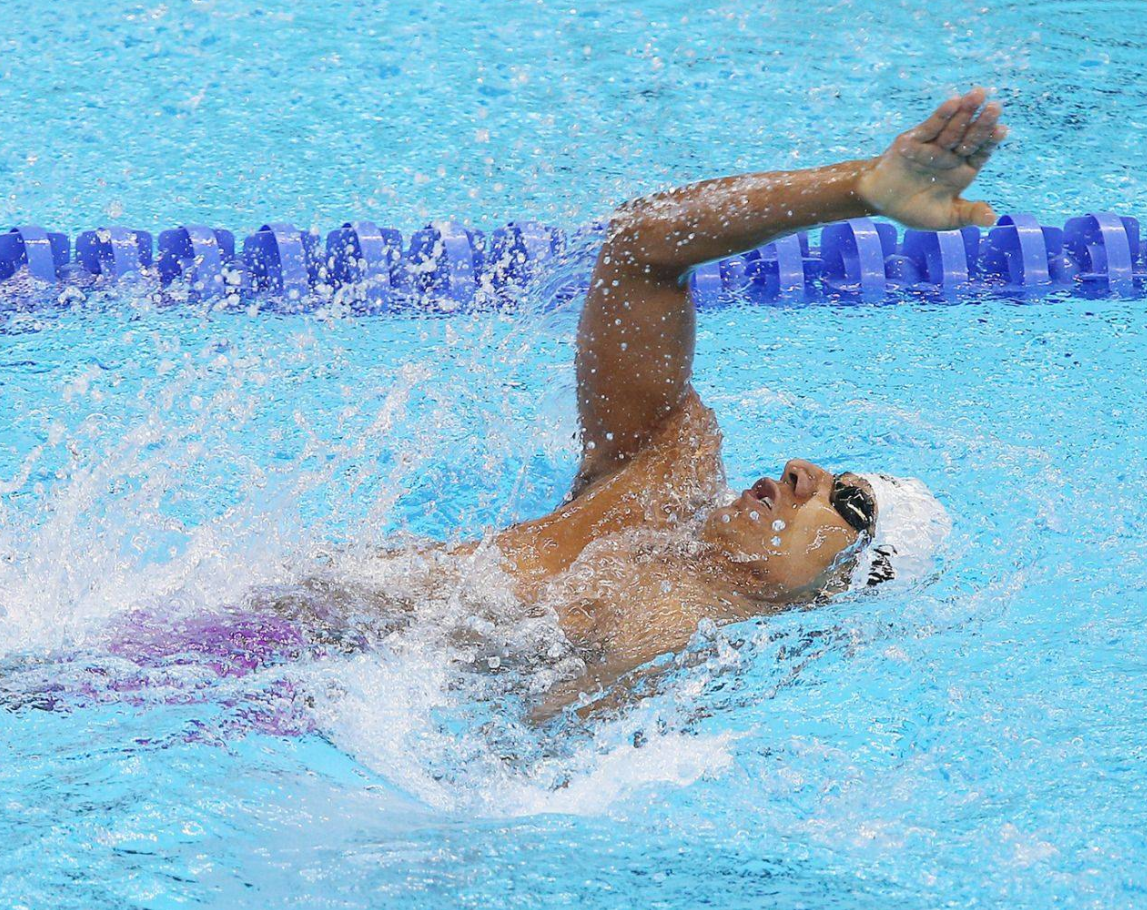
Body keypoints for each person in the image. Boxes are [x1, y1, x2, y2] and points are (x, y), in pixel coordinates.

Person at [451, 88, 1004, 709]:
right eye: (831, 477)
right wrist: (860, 189)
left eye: (845, 502)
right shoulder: (660, 486)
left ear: (843, 583)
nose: (800, 472)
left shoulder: (698, 672)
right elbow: (641, 247)